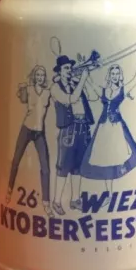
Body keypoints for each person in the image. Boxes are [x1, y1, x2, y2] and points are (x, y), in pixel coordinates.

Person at [80, 54, 136, 205]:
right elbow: (91, 83)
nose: (115, 76)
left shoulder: (122, 89)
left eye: (117, 73)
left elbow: (135, 79)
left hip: (118, 125)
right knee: (106, 159)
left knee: (134, 149)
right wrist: (84, 70)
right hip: (103, 128)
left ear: (120, 75)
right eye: (113, 73)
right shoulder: (103, 90)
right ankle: (109, 194)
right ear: (109, 75)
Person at [50, 55, 98, 215]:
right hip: (68, 130)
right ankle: (57, 201)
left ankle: (75, 199)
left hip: (82, 128)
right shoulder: (55, 87)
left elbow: (94, 96)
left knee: (78, 167)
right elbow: (70, 99)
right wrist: (83, 79)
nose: (69, 70)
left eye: (70, 67)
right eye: (66, 68)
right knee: (63, 167)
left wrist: (87, 79)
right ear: (59, 71)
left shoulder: (76, 83)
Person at [6, 65, 53, 216]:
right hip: (26, 129)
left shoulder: (48, 92)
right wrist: (22, 88)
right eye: (37, 75)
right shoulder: (29, 89)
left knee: (45, 167)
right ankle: (9, 190)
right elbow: (21, 98)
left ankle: (46, 202)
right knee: (16, 160)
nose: (40, 77)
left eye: (42, 75)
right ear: (34, 76)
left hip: (39, 132)